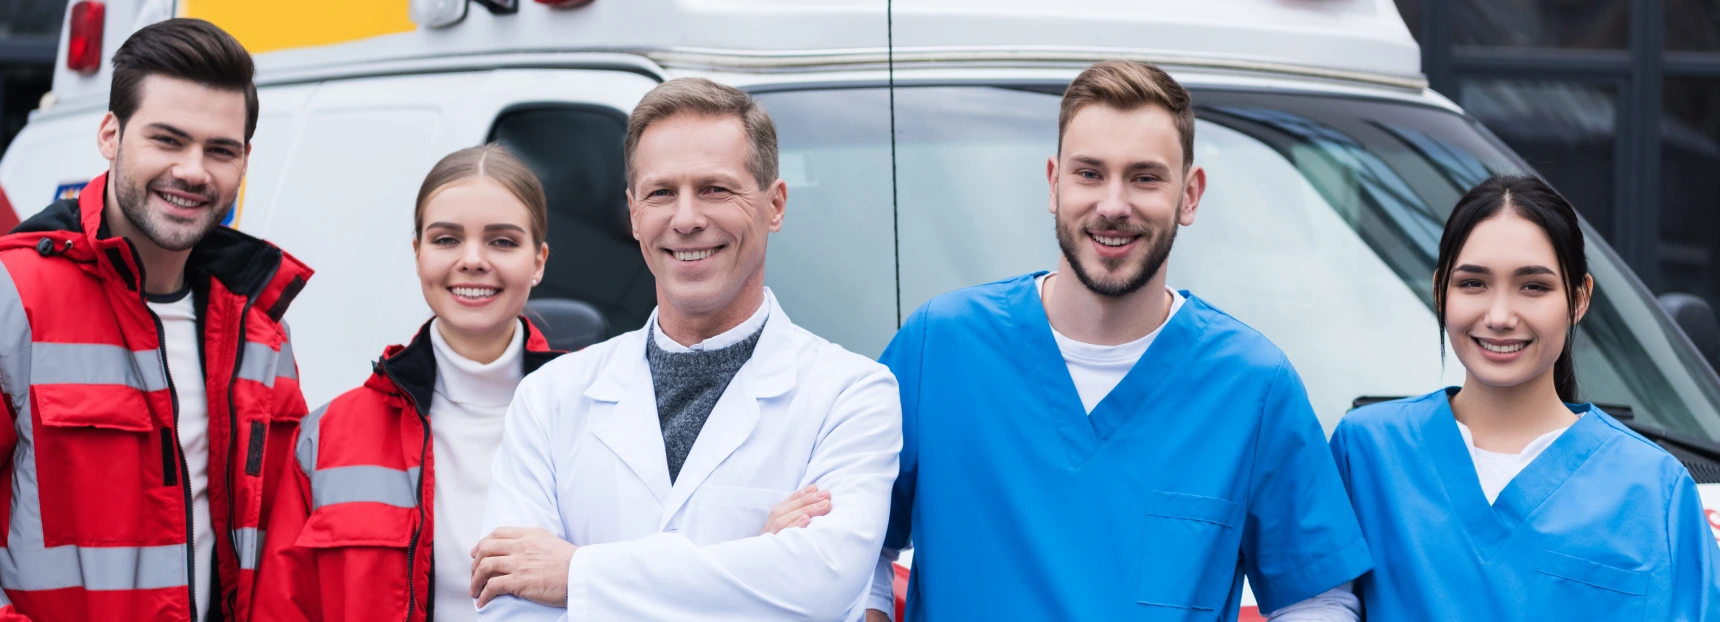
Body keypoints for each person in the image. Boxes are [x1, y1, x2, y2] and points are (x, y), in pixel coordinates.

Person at [864, 60, 1371, 621]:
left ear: (1190, 195)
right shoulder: (941, 347)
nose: (1112, 204)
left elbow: (1316, 599)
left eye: (1145, 177)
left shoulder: (1253, 385)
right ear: (1054, 183)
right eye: (1089, 174)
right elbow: (858, 552)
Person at [470, 77, 901, 621]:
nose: (687, 218)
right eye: (661, 192)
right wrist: (752, 565)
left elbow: (820, 587)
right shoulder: (548, 399)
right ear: (633, 213)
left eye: (716, 189)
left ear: (775, 204)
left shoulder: (852, 394)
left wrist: (576, 573)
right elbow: (511, 608)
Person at [0, 19, 312, 621]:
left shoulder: (259, 321)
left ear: (245, 159)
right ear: (110, 136)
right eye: (168, 140)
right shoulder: (15, 296)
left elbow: (275, 533)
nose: (194, 171)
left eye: (220, 150)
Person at [1328, 175, 1720, 620]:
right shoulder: (1365, 454)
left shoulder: (1653, 490)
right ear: (1441, 291)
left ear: (1578, 299)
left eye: (1533, 286)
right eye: (1473, 284)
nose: (1499, 316)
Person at [249, 145, 563, 621]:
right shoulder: (328, 437)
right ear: (417, 255)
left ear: (538, 261)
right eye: (446, 240)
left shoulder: (601, 413)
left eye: (502, 241)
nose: (472, 260)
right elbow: (285, 608)